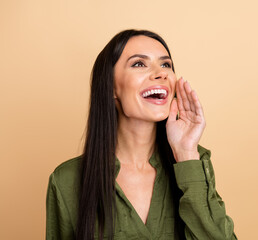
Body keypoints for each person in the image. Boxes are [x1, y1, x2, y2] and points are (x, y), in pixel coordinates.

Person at [46, 29, 237, 240]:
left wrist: (186, 152)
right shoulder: (67, 180)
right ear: (110, 86)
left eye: (166, 65)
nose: (161, 73)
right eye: (139, 64)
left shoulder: (193, 162)